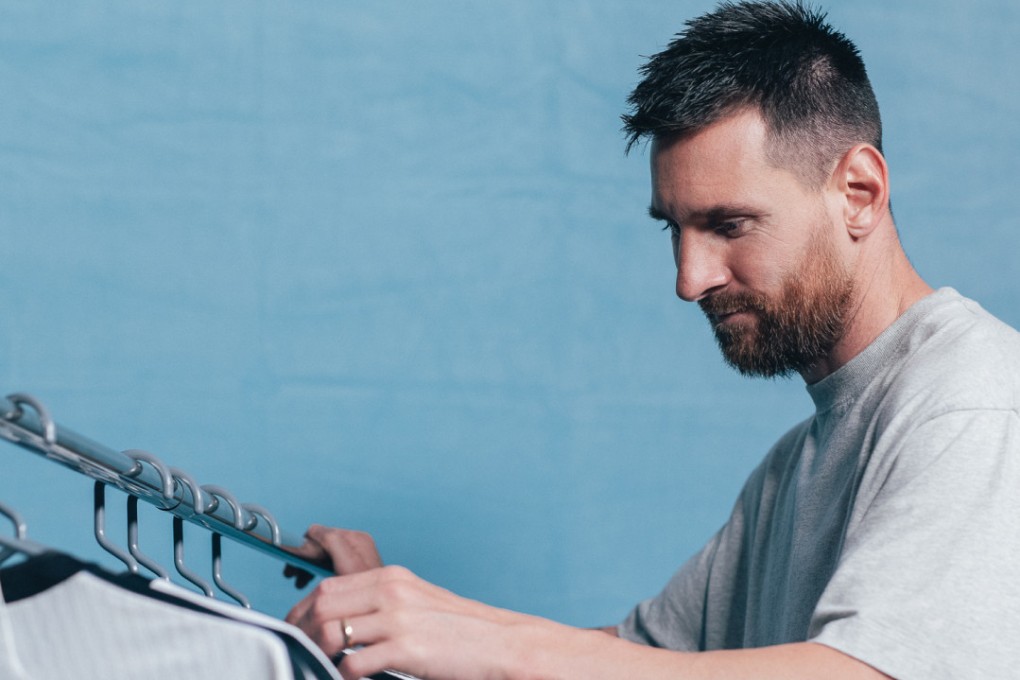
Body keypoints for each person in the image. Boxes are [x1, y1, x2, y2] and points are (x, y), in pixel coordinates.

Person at [285, 1, 1020, 678]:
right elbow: (632, 664)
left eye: (729, 225)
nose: (689, 278)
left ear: (858, 192)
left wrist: (484, 641)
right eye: (675, 228)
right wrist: (407, 619)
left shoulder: (973, 401)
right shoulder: (792, 468)